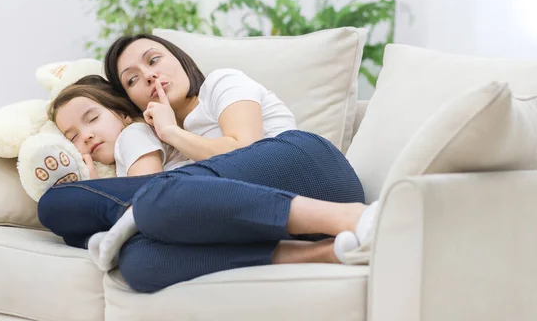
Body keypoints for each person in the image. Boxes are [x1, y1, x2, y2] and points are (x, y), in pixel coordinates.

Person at [37, 34, 378, 293]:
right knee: (138, 263)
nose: (149, 76)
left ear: (181, 61)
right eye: (132, 80)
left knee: (95, 200)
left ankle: (359, 218)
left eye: (154, 60)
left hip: (309, 169)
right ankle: (324, 251)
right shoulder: (157, 148)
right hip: (266, 221)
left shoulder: (220, 85)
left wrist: (171, 131)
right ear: (132, 101)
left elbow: (243, 146)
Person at [48, 74, 191, 180]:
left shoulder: (133, 134)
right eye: (73, 137)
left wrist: (97, 189)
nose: (86, 136)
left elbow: (147, 190)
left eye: (93, 119)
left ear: (122, 113)